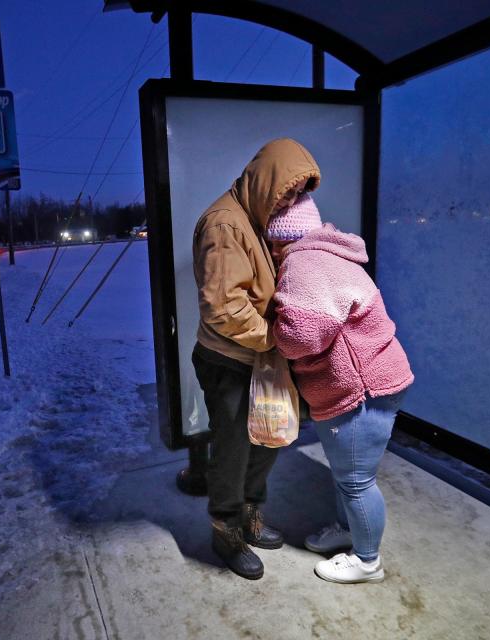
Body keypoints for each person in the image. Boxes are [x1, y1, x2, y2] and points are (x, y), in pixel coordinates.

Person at [268, 193, 414, 584]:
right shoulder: (334, 255)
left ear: (280, 236)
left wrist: (272, 330)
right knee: (347, 473)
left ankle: (368, 562)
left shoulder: (302, 263)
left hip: (358, 389)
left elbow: (302, 336)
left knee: (355, 480)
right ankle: (349, 530)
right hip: (376, 378)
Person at [192, 138, 321, 580]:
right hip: (230, 359)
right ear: (264, 178)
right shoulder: (225, 224)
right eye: (286, 189)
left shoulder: (258, 218)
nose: (291, 201)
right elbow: (223, 306)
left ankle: (251, 515)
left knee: (268, 438)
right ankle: (225, 530)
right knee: (233, 451)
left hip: (261, 357)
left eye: (298, 193)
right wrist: (276, 337)